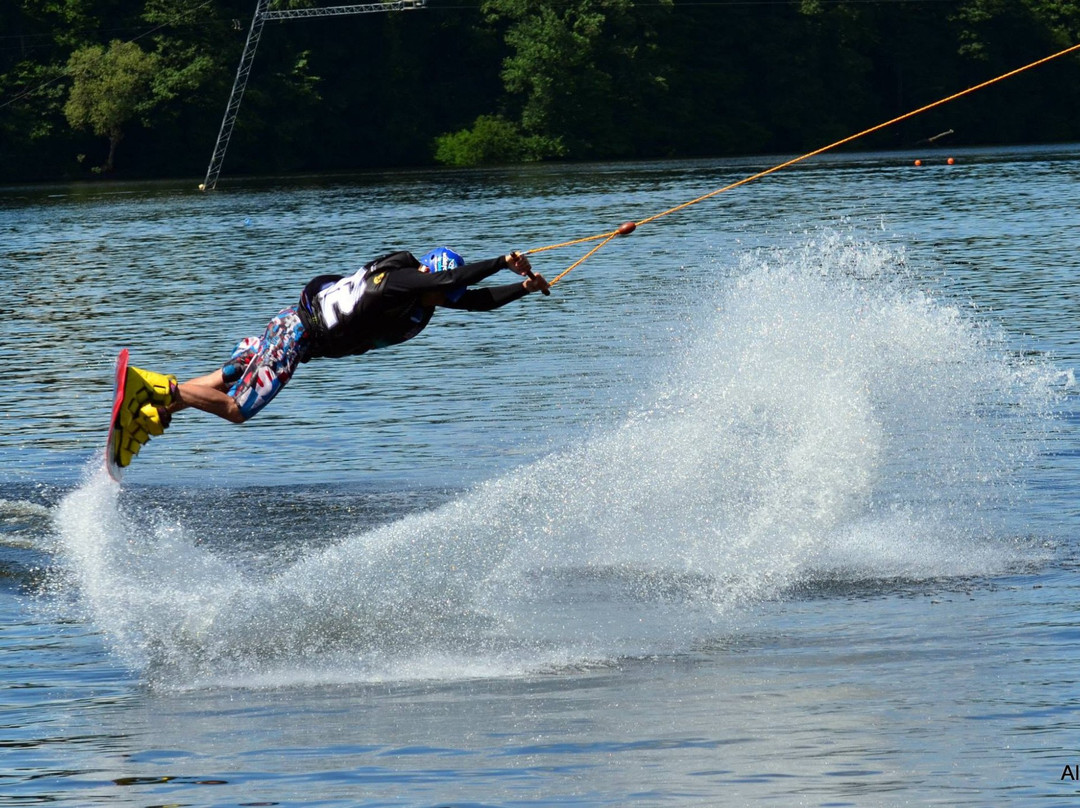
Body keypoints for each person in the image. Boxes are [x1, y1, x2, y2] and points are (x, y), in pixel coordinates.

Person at [154, 247, 549, 425]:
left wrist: (524, 289)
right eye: (443, 292)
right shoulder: (399, 283)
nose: (446, 300)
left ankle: (153, 410)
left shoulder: (423, 298)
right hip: (297, 337)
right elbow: (452, 281)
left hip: (293, 327)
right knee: (237, 410)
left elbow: (474, 301)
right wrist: (501, 262)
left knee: (227, 376)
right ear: (430, 277)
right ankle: (165, 391)